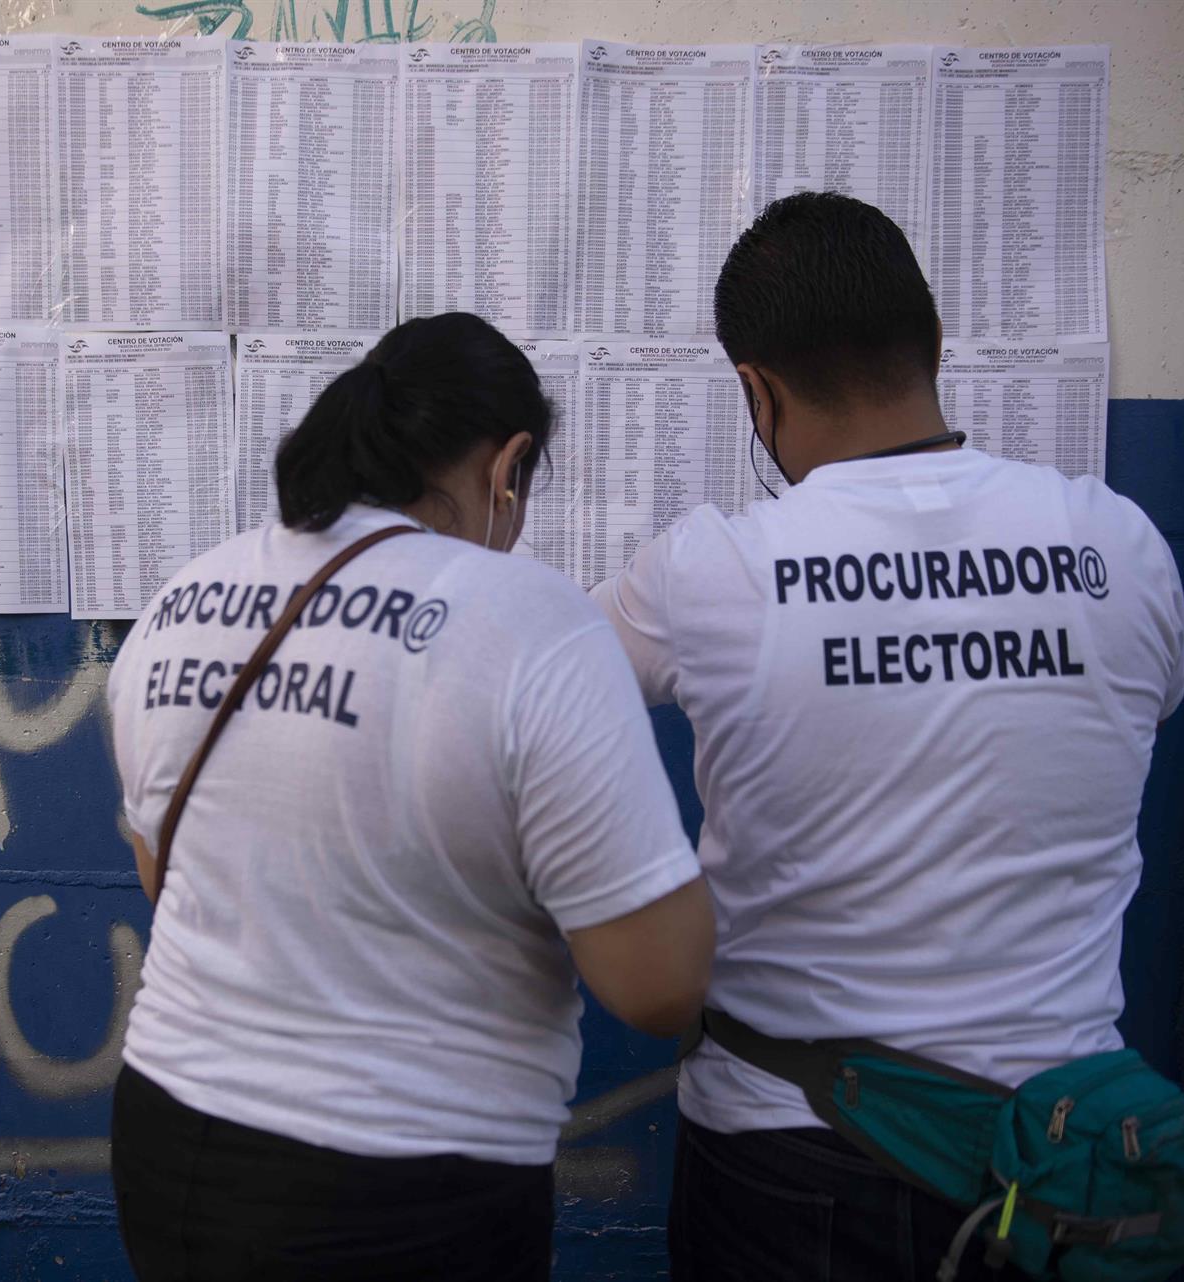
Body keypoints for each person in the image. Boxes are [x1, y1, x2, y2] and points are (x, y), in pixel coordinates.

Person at [593, 193, 1184, 1282]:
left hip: (792, 1162)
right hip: (1064, 1170)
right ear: (937, 346)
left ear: (756, 389)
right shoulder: (1119, 543)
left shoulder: (708, 570)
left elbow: (522, 692)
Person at [105, 311, 715, 1282]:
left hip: (170, 1145)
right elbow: (658, 985)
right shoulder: (529, 622)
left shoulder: (181, 601)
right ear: (508, 466)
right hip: (406, 1192)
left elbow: (161, 875)